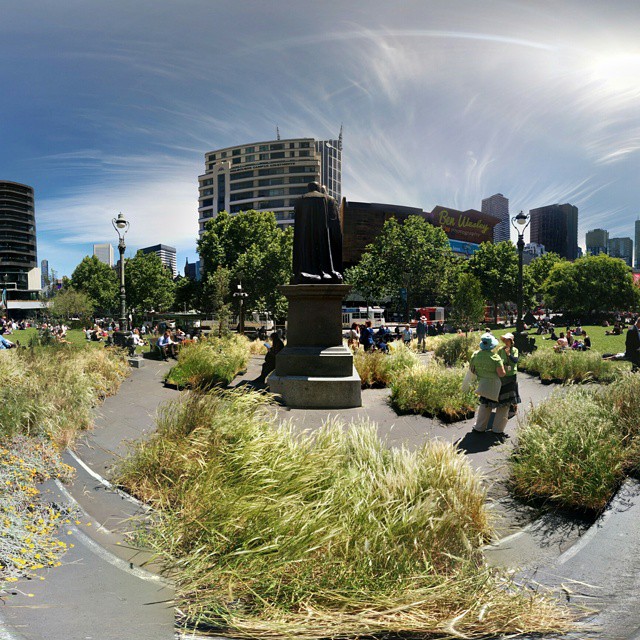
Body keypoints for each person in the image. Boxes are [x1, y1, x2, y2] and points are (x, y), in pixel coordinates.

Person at [291, 182, 342, 284]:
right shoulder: (329, 199)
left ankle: (306, 272)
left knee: (306, 249)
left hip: (305, 239)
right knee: (325, 247)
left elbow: (297, 224)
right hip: (324, 238)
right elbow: (335, 223)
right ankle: (326, 271)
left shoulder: (299, 200)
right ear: (319, 188)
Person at [469, 333, 507, 435]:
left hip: (483, 383)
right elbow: (502, 374)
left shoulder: (475, 355)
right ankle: (497, 429)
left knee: (485, 404)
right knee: (503, 406)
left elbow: (472, 369)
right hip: (495, 385)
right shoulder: (495, 358)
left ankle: (479, 427)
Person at [497, 332, 521, 419]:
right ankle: (505, 408)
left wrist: (509, 354)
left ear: (511, 341)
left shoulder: (515, 350)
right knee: (504, 390)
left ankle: (513, 408)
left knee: (512, 391)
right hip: (503, 373)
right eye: (505, 340)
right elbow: (497, 360)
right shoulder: (500, 350)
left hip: (511, 374)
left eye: (508, 340)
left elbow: (515, 360)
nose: (506, 342)